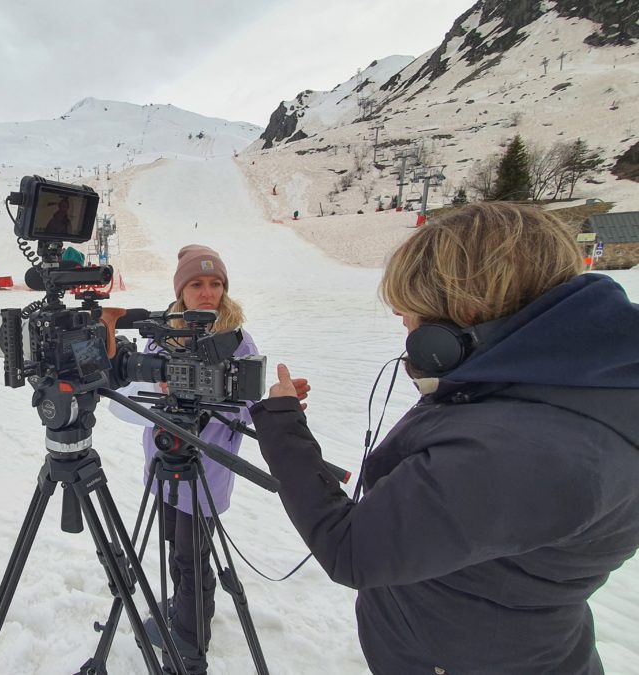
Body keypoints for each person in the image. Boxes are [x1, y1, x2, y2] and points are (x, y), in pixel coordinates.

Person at [250, 202, 639, 674]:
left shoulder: (521, 450)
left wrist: (281, 424)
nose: (402, 320)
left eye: (411, 309)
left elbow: (351, 549)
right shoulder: (565, 385)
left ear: (467, 309)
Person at [137, 245, 264, 673]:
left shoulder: (237, 339)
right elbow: (134, 394)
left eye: (215, 284)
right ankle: (182, 609)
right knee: (174, 546)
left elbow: (250, 405)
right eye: (197, 284)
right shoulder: (160, 333)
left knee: (194, 558)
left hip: (206, 471)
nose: (207, 292)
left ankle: (191, 638)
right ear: (181, 291)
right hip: (165, 464)